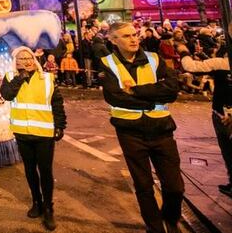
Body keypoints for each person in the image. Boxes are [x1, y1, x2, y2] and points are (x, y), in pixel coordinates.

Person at [98, 22, 183, 233]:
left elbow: (172, 90)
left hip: (161, 128)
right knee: (143, 185)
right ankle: (155, 227)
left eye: (135, 34)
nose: (134, 39)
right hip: (130, 132)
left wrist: (135, 91)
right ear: (113, 40)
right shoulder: (107, 63)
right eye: (127, 36)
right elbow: (114, 98)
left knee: (175, 186)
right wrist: (153, 97)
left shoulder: (154, 59)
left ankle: (171, 218)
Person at [0, 46, 66, 231]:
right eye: (21, 59)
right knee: (30, 170)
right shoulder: (10, 77)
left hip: (44, 133)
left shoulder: (47, 78)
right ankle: (36, 202)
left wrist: (60, 125)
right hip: (22, 133)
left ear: (34, 59)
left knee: (45, 171)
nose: (26, 61)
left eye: (29, 58)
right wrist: (21, 77)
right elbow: (6, 94)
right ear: (16, 62)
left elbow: (57, 103)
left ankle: (48, 208)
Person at [178, 49, 232, 198]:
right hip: (224, 112)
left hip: (224, 114)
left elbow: (191, 66)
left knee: (228, 150)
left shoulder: (221, 63)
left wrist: (183, 52)